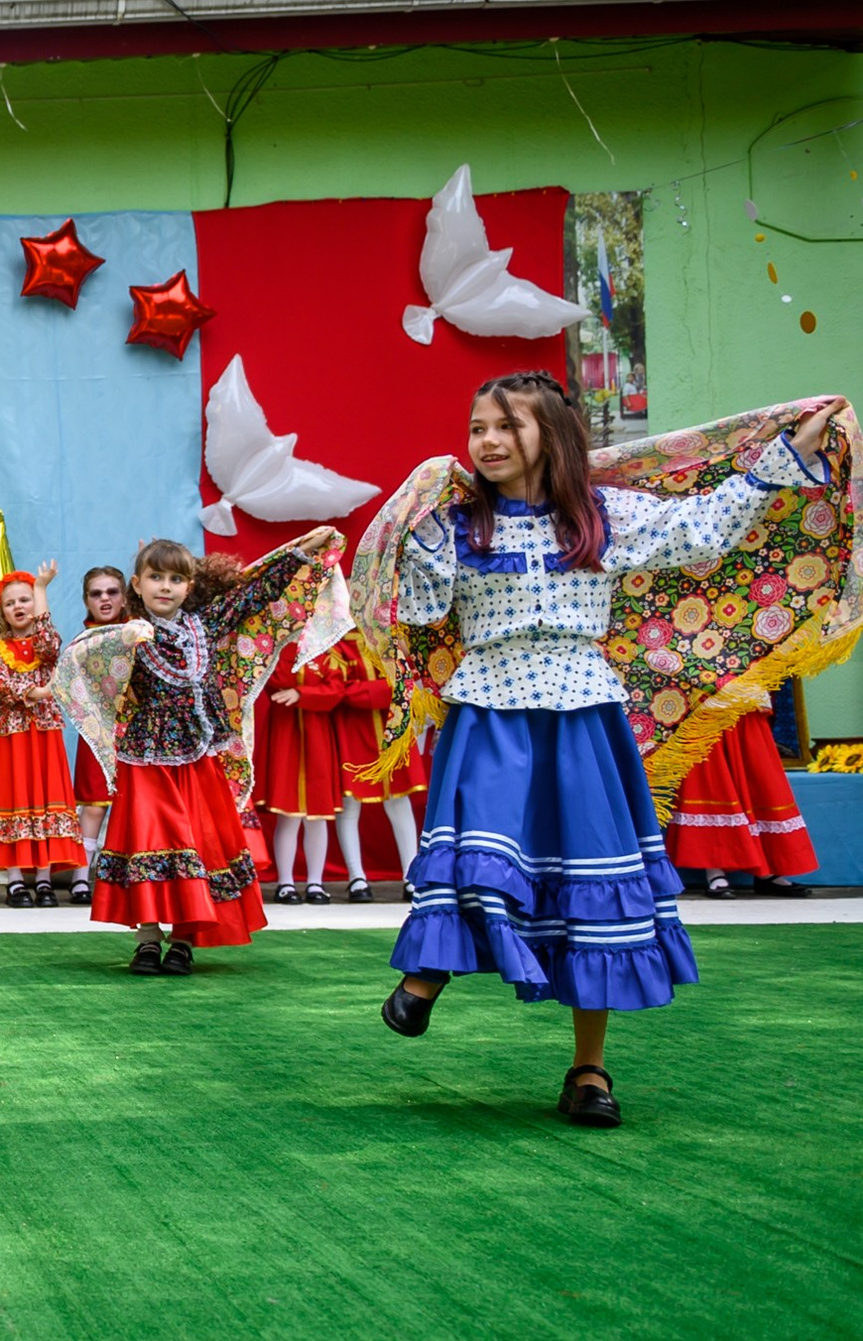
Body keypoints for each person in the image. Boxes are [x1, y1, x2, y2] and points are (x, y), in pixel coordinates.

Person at [378, 373, 835, 1127]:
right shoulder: (458, 523)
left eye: (505, 427)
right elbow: (425, 612)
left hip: (583, 713)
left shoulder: (601, 515)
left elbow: (703, 529)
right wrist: (423, 540)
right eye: (476, 428)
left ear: (549, 435)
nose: (486, 441)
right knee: (478, 848)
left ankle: (589, 1070)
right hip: (489, 704)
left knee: (594, 891)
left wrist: (785, 454)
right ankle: (428, 970)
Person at [78, 539, 333, 976]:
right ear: (136, 585)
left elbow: (255, 593)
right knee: (148, 842)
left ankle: (182, 940)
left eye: (176, 578)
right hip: (146, 758)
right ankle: (147, 939)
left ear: (189, 585)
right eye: (155, 577)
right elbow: (88, 672)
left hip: (197, 756)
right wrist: (119, 648)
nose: (166, 586)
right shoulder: (126, 635)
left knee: (195, 842)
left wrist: (298, 553)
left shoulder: (205, 625)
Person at [258, 635, 419, 904]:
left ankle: (411, 876)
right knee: (348, 801)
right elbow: (339, 689)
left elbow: (406, 677)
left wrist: (381, 688)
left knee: (398, 799)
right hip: (349, 726)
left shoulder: (388, 636)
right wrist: (381, 689)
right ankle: (356, 878)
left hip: (390, 723)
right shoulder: (332, 643)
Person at [0, 564, 82, 907]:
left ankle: (43, 879)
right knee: (15, 796)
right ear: (1, 612)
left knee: (46, 794)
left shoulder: (43, 643)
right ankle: (14, 879)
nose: (19, 606)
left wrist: (42, 589)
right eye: (11, 603)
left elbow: (51, 646)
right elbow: (4, 686)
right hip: (12, 732)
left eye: (25, 599)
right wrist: (37, 691)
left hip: (44, 728)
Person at [665, 700, 816, 898]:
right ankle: (715, 871)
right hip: (704, 703)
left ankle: (767, 871)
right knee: (713, 784)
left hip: (745, 704)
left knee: (760, 782)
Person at [68, 565, 127, 903]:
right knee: (93, 807)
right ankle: (80, 879)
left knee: (133, 806)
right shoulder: (82, 642)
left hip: (135, 732)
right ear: (86, 601)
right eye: (96, 593)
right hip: (96, 731)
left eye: (111, 592)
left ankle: (127, 880)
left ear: (124, 595)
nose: (105, 599)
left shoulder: (138, 631)